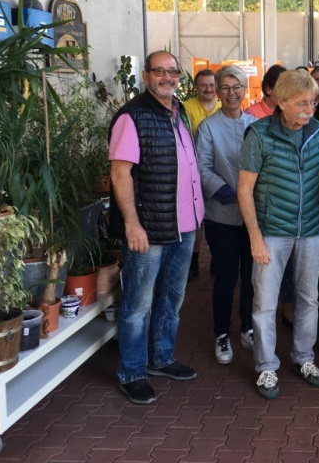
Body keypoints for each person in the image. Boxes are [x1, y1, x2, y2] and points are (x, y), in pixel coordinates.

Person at [237, 70, 319, 399]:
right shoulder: (259, 134)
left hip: (311, 229)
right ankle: (266, 366)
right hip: (271, 231)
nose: (309, 110)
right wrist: (255, 238)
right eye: (302, 103)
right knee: (265, 303)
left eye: (312, 103)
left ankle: (303, 358)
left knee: (309, 299)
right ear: (281, 101)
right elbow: (244, 190)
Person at [108, 51, 204, 405]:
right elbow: (120, 174)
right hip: (148, 228)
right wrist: (132, 224)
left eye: (172, 71)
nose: (167, 77)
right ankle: (132, 372)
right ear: (146, 76)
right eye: (159, 71)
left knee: (171, 299)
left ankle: (161, 358)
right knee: (137, 306)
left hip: (184, 227)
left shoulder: (179, 112)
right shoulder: (132, 116)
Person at [196, 65, 256, 366]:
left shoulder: (256, 124)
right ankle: (222, 333)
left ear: (245, 90)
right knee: (226, 279)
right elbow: (202, 168)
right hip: (221, 216)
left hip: (254, 217)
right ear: (218, 91)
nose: (231, 93)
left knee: (252, 277)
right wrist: (230, 194)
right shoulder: (208, 127)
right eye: (225, 87)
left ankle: (248, 328)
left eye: (237, 87)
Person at [183, 68, 221, 281]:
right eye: (203, 85)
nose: (208, 89)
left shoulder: (225, 106)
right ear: (195, 87)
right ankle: (193, 261)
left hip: (221, 173)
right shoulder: (186, 108)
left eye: (212, 85)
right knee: (196, 220)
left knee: (217, 219)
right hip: (193, 173)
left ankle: (217, 257)